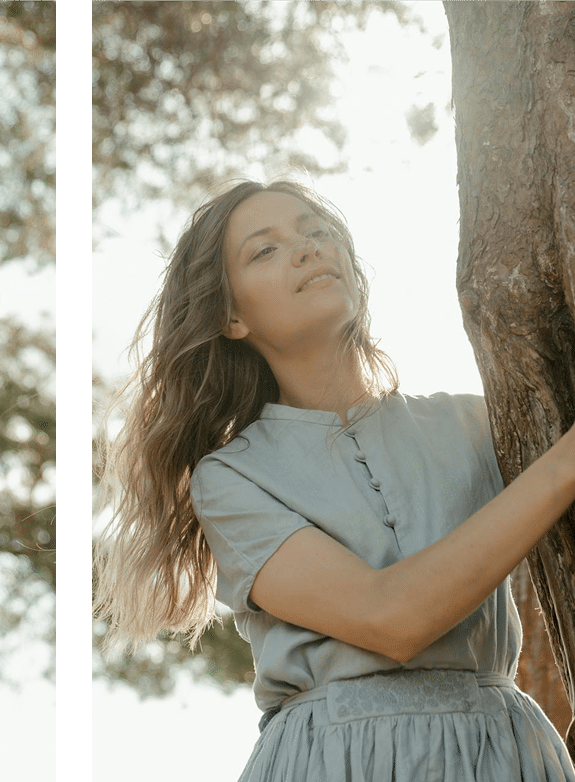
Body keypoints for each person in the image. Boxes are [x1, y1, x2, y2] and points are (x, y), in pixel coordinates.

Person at [94, 178, 575, 781]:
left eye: (316, 231)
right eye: (265, 250)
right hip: (333, 761)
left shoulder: (480, 423)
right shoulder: (231, 477)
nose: (307, 248)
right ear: (231, 316)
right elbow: (390, 619)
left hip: (502, 754)